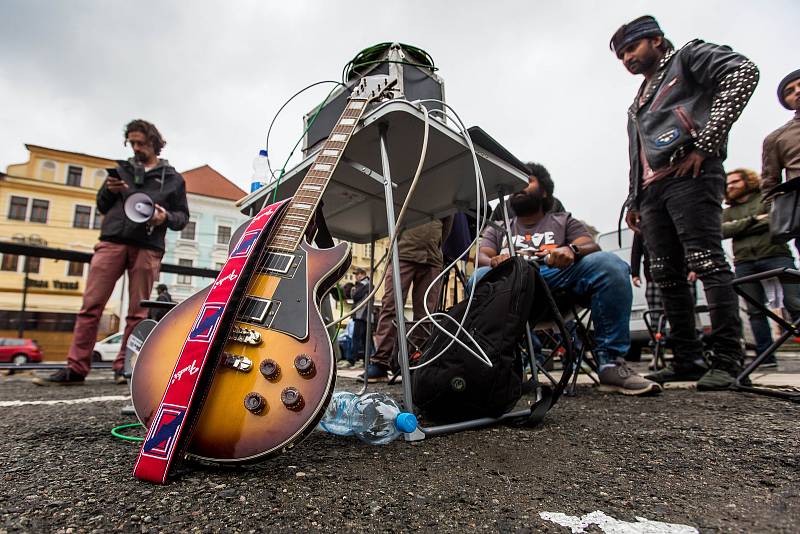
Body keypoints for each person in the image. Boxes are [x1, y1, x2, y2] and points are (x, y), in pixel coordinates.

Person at [611, 15, 759, 389]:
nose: (627, 58)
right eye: (622, 55)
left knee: (707, 262)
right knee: (665, 274)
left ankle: (727, 359)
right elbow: (637, 154)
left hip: (690, 174)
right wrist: (634, 199)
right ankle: (687, 358)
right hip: (652, 192)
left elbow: (744, 72)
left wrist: (706, 144)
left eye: (632, 47)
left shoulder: (688, 57)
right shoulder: (638, 101)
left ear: (657, 40)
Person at [473, 167, 661, 396]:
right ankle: (502, 368)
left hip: (559, 286)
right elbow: (482, 255)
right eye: (516, 184)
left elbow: (590, 244)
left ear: (544, 191)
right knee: (478, 277)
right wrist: (495, 260)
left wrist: (571, 249)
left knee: (609, 264)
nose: (519, 188)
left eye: (527, 181)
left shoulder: (563, 220)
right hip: (514, 288)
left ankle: (611, 364)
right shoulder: (500, 227)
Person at [33, 119, 189, 386]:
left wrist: (164, 217)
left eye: (141, 142)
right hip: (113, 240)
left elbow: (181, 217)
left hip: (148, 245)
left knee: (137, 311)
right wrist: (108, 189)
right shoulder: (121, 170)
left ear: (154, 142)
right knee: (91, 306)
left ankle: (125, 367)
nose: (136, 147)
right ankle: (76, 367)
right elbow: (102, 205)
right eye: (132, 143)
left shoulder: (173, 179)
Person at [723, 168, 800, 368]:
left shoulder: (765, 199)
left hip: (776, 256)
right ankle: (765, 356)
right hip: (744, 262)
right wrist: (753, 220)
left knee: (795, 303)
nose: (730, 186)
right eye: (727, 183)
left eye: (735, 182)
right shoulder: (727, 211)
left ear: (748, 181)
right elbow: (722, 230)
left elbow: (775, 220)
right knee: (755, 311)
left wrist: (739, 227)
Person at [364, 218, 452, 381]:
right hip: (403, 252)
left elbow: (447, 223)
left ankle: (415, 359)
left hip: (431, 258)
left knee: (426, 315)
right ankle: (380, 361)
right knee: (391, 306)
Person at [761, 69, 800, 197]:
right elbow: (769, 187)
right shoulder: (776, 139)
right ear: (786, 102)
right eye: (790, 91)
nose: (797, 91)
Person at [345, 268, 371, 369]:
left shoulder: (365, 285)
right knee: (365, 340)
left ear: (363, 274)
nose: (356, 276)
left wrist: (354, 289)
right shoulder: (366, 284)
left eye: (358, 274)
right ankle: (366, 361)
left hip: (362, 315)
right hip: (364, 316)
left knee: (357, 338)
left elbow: (355, 296)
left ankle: (352, 360)